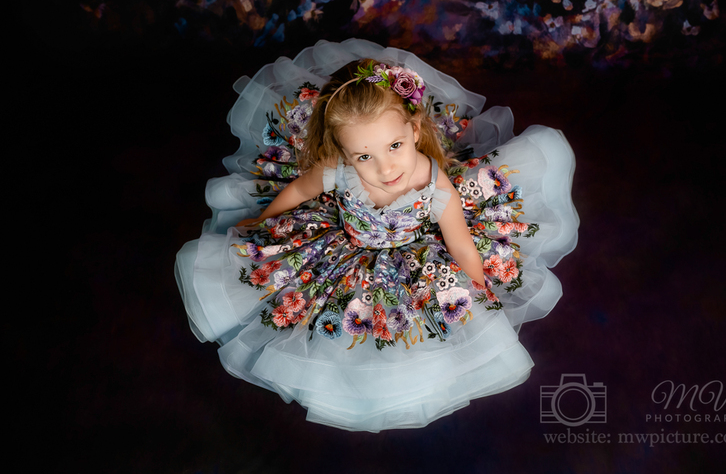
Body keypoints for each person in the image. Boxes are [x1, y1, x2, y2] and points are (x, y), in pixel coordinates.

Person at [175, 39, 579, 432]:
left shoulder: (433, 183)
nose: (386, 169)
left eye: (395, 146)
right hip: (344, 247)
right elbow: (299, 190)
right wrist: (263, 220)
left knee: (423, 323)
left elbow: (458, 240)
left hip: (411, 255)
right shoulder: (337, 169)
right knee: (288, 292)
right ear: (343, 152)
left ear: (416, 130)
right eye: (364, 156)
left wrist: (478, 288)